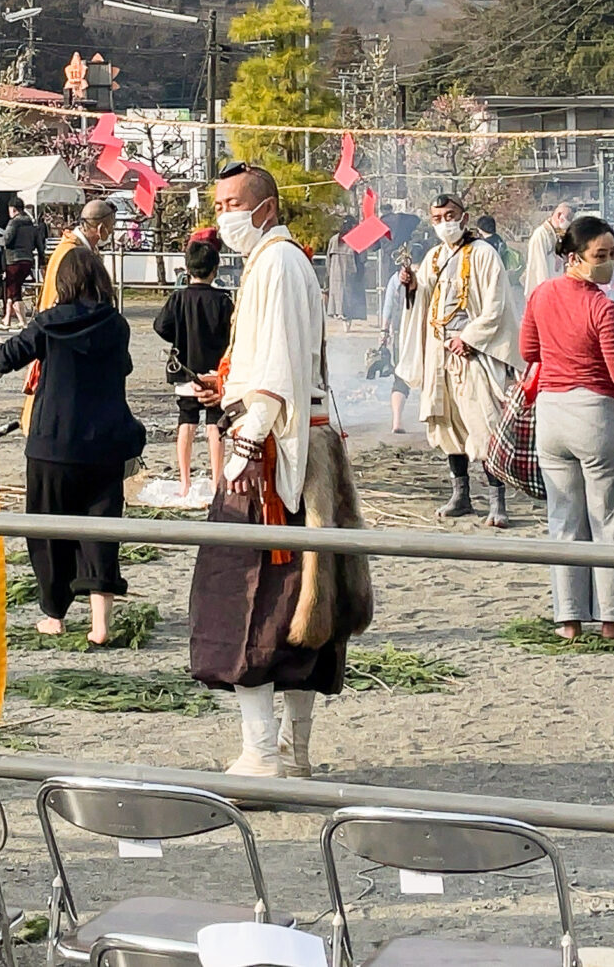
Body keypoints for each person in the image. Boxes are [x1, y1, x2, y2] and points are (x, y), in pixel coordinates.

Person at [189, 162, 369, 781]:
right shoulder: (271, 262)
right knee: (292, 602)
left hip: (274, 453)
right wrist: (230, 384)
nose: (223, 216)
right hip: (279, 437)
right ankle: (288, 751)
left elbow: (281, 372)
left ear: (263, 206)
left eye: (232, 202)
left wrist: (248, 435)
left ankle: (268, 751)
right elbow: (269, 360)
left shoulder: (280, 262)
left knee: (255, 605)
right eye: (218, 205)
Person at [0, 245, 144, 645]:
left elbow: (11, 358)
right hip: (105, 442)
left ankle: (54, 614)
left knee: (48, 529)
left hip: (52, 443)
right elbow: (123, 367)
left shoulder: (49, 323)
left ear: (64, 283)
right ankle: (100, 625)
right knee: (102, 528)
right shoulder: (116, 325)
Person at [518, 213, 614, 641]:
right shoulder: (603, 307)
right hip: (595, 414)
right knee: (611, 517)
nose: (609, 262)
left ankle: (568, 619)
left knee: (564, 518)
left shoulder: (540, 295)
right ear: (574, 257)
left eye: (612, 254)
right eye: (601, 255)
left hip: (551, 414)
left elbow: (528, 350)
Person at [402, 194, 525, 525]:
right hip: (439, 353)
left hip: (472, 355)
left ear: (464, 217)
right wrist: (412, 285)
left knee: (483, 426)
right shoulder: (433, 257)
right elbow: (425, 298)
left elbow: (497, 306)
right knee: (446, 426)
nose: (445, 222)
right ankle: (461, 495)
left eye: (450, 215)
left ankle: (497, 501)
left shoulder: (484, 254)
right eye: (438, 217)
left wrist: (469, 338)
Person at [156, 235, 235, 495]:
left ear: (187, 269)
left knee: (186, 422)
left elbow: (160, 326)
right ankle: (216, 482)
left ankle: (184, 482)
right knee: (215, 424)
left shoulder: (178, 299)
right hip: (216, 372)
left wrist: (179, 336)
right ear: (215, 269)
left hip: (185, 369)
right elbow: (234, 334)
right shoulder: (223, 300)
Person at [38, 199, 115, 314]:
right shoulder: (71, 253)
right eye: (111, 227)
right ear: (101, 229)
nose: (112, 231)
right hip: (60, 322)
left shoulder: (81, 248)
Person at [378, 249, 418, 434]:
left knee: (400, 378)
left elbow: (387, 308)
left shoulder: (395, 280)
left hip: (401, 334)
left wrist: (384, 331)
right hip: (422, 334)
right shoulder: (428, 278)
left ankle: (397, 421)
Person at [0, 202, 44, 324]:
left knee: (15, 293)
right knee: (12, 290)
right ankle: (7, 320)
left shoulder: (14, 223)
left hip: (14, 260)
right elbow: (40, 244)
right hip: (28, 260)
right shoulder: (32, 224)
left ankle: (23, 322)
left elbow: (6, 240)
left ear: (13, 209)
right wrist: (42, 260)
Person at [523, 201, 576, 297]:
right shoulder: (540, 234)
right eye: (568, 218)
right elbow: (539, 267)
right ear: (559, 215)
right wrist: (546, 292)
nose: (569, 222)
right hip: (545, 290)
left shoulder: (557, 234)